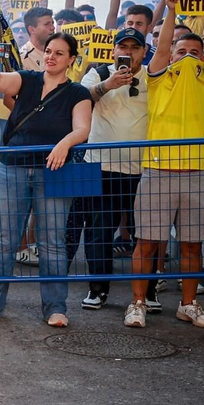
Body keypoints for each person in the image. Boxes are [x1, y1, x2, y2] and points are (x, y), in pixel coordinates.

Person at [0, 30, 92, 326]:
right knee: (4, 239)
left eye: (59, 53)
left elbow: (82, 128)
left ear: (71, 59)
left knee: (53, 242)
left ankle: (56, 308)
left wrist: (64, 144)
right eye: (48, 51)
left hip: (56, 171)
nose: (51, 56)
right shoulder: (27, 78)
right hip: (12, 168)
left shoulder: (78, 93)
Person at [125, 0, 204, 329]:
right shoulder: (157, 77)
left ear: (202, 56)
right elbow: (161, 46)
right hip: (158, 171)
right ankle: (137, 304)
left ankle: (189, 305)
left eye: (193, 51)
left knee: (192, 245)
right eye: (180, 50)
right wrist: (171, 10)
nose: (186, 54)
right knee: (147, 242)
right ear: (170, 54)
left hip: (194, 175)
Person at [71, 27, 150, 311]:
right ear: (114, 50)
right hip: (100, 166)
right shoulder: (99, 73)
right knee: (99, 230)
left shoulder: (152, 76)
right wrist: (109, 84)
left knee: (147, 233)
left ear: (144, 52)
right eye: (123, 47)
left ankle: (148, 292)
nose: (127, 52)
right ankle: (98, 288)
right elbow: (80, 99)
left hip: (141, 169)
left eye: (134, 47)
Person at [18, 6, 54, 73]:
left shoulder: (59, 53)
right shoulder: (22, 58)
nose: (52, 27)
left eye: (52, 23)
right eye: (47, 24)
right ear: (32, 30)